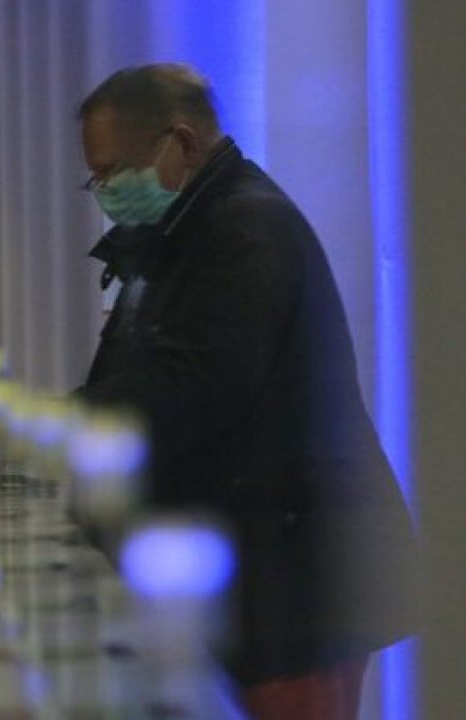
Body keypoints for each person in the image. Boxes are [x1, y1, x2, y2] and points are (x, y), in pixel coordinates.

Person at [74, 64, 415, 720]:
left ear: (181, 143)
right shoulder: (187, 231)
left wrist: (62, 429)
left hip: (301, 583)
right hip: (268, 569)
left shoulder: (244, 230)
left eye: (112, 172)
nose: (105, 192)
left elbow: (192, 389)